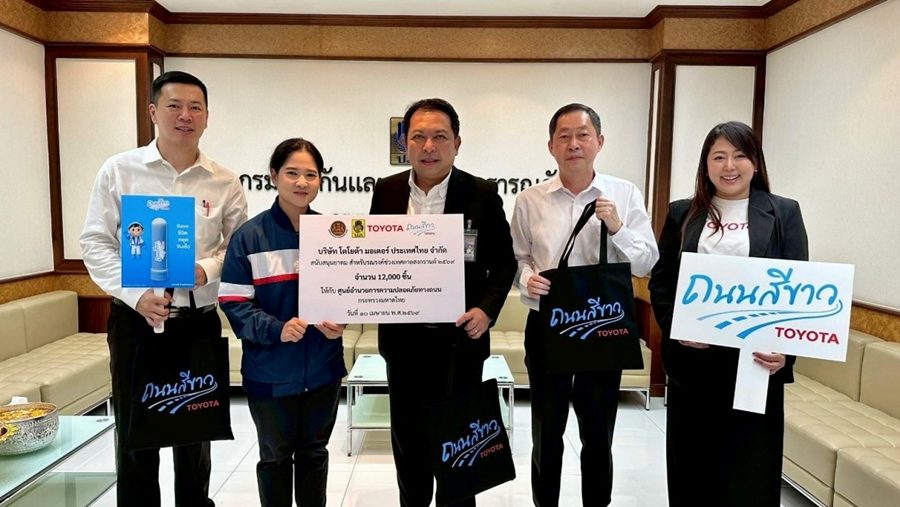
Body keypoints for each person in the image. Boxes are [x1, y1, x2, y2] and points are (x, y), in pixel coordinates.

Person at [80, 70, 248, 506]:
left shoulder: (224, 181)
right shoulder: (119, 170)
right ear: (154, 112)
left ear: (207, 117)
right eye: (174, 106)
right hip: (135, 323)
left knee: (195, 434)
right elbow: (95, 243)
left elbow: (237, 248)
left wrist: (206, 269)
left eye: (195, 107)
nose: (184, 115)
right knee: (137, 434)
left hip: (197, 322)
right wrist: (136, 295)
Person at [649, 121, 808, 507]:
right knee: (693, 468)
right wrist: (678, 328)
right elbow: (662, 282)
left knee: (750, 471)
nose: (729, 166)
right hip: (694, 361)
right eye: (718, 157)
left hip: (755, 364)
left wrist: (786, 351)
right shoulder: (683, 213)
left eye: (739, 156)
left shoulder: (783, 212)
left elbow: (798, 288)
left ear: (755, 162)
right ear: (706, 164)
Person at [369, 98, 517, 507]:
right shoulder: (387, 191)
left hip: (459, 345)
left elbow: (504, 263)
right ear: (405, 143)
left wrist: (486, 310)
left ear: (457, 143)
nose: (429, 146)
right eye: (418, 136)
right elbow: (373, 256)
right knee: (409, 449)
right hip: (403, 344)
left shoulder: (481, 194)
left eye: (440, 136)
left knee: (458, 454)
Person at [510, 103, 658, 507]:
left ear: (599, 141)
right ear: (551, 146)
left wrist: (618, 228)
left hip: (603, 325)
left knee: (597, 432)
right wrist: (527, 278)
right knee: (547, 430)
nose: (573, 144)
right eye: (564, 136)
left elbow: (646, 262)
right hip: (548, 325)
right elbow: (518, 258)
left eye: (583, 135)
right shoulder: (529, 200)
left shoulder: (624, 194)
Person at [218, 138, 346, 507]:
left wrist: (343, 320)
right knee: (274, 458)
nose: (302, 182)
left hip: (323, 369)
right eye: (292, 173)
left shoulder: (333, 233)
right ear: (274, 176)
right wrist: (277, 329)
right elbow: (234, 303)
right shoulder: (250, 236)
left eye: (311, 174)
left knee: (314, 455)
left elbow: (350, 292)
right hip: (270, 373)